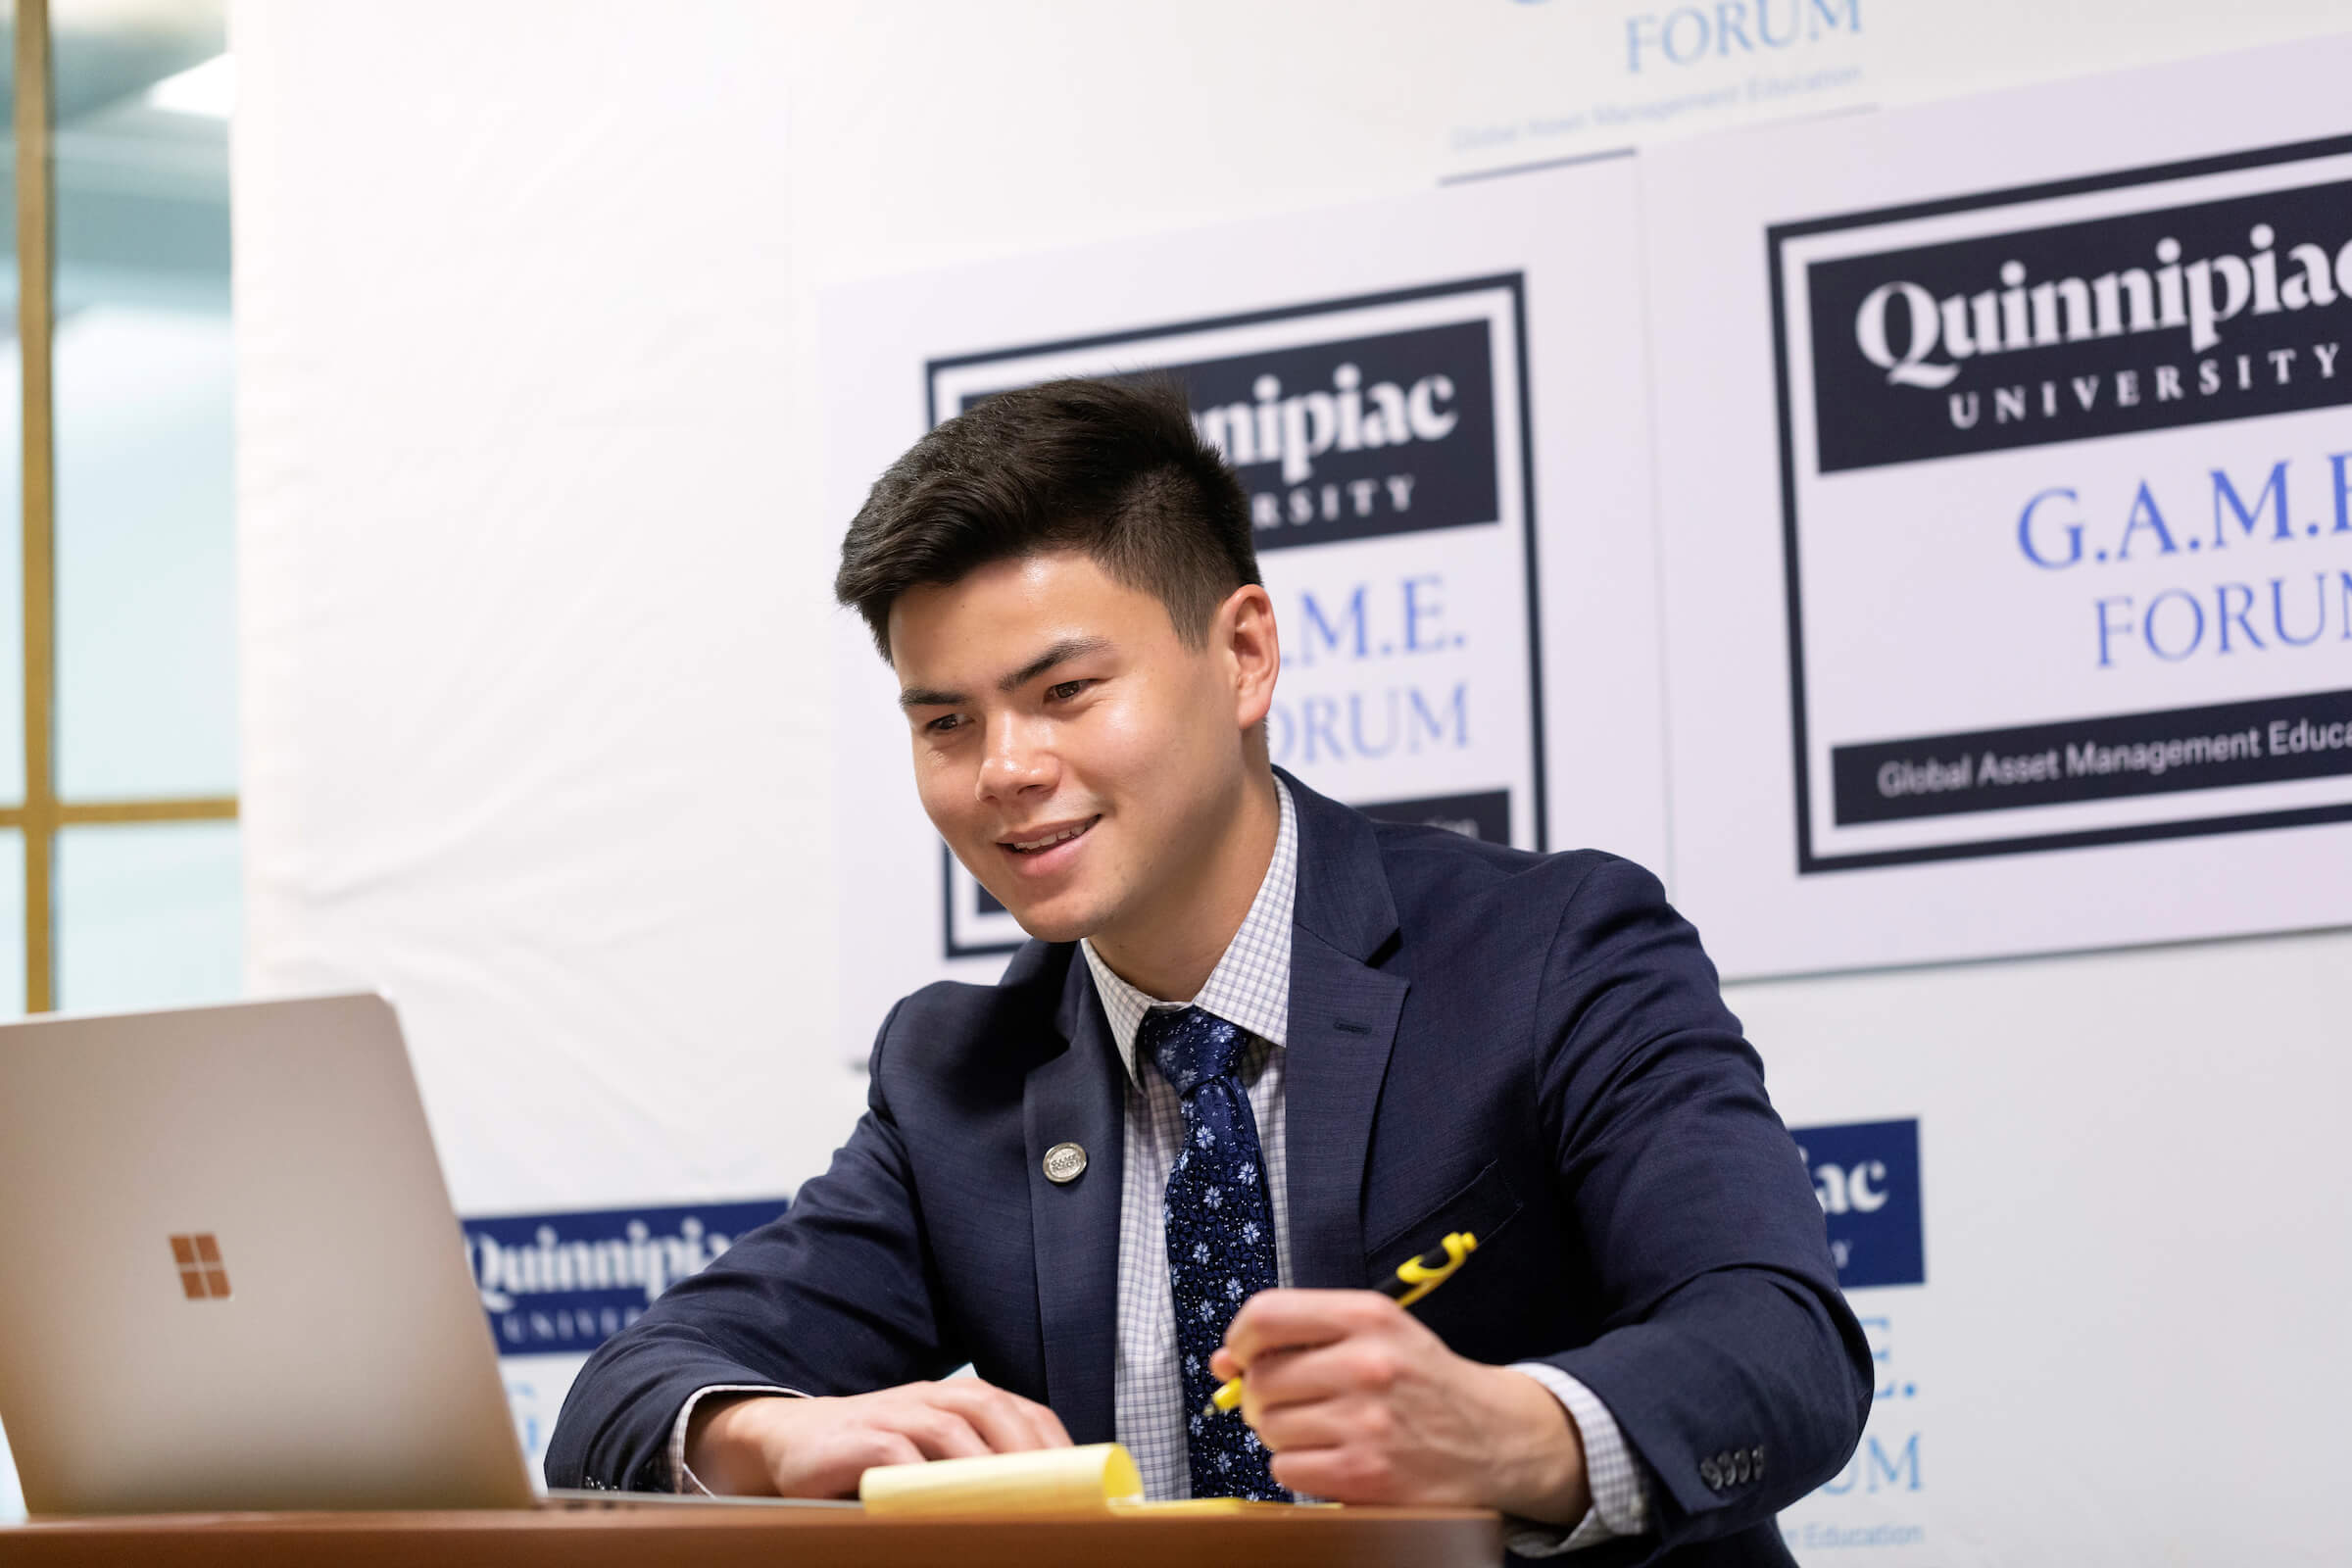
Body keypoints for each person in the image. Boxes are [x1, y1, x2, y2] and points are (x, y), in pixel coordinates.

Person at [547, 376, 1869, 1561]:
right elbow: (629, 1394)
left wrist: (1512, 1434)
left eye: (1064, 693)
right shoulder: (955, 1076)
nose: (1004, 768)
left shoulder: (1553, 949)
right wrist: (767, 1443)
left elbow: (1782, 1349)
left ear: (1244, 655)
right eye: (946, 721)